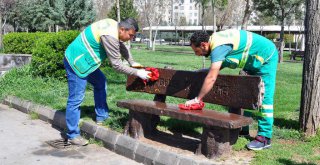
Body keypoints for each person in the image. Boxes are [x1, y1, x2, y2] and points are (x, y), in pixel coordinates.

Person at [63, 18, 151, 146]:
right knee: (76, 98)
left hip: (87, 62)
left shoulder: (114, 26)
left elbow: (120, 45)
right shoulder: (110, 36)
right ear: (122, 29)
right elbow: (117, 65)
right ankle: (72, 135)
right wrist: (137, 72)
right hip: (76, 62)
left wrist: (132, 61)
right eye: (131, 35)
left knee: (100, 82)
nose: (131, 38)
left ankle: (102, 116)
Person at [186, 29, 278, 150]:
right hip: (254, 59)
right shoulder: (217, 42)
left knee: (264, 97)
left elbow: (212, 78)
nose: (197, 54)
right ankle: (243, 129)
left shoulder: (218, 47)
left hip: (266, 57)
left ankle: (265, 138)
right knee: (248, 94)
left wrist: (198, 99)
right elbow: (223, 62)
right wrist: (207, 70)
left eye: (197, 51)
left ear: (204, 45)